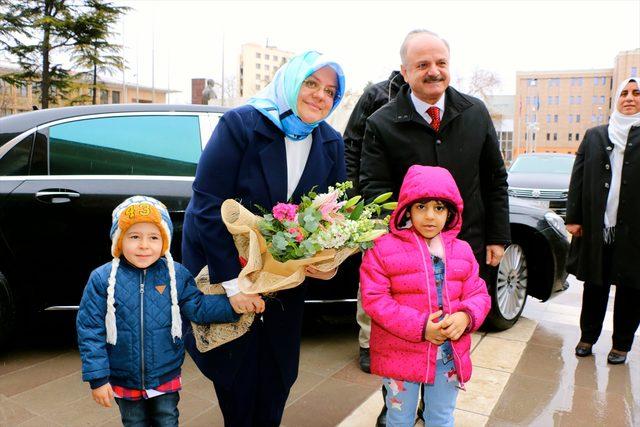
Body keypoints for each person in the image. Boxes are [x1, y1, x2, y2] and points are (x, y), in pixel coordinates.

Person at [181, 50, 346, 426]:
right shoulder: (242, 125)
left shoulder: (330, 143)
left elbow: (332, 219)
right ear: (291, 82)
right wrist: (232, 284)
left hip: (285, 286)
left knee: (277, 378)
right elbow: (207, 205)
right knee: (236, 377)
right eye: (311, 83)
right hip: (232, 276)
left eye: (330, 91)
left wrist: (326, 263)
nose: (321, 95)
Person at [76, 196, 239, 426]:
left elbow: (198, 307)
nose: (144, 245)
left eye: (153, 237)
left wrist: (234, 306)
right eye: (134, 237)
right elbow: (90, 329)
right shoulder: (102, 279)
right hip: (123, 375)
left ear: (164, 242)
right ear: (119, 240)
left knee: (167, 418)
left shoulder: (176, 275)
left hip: (166, 372)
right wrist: (98, 378)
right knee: (133, 422)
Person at [359, 29, 510, 274]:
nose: (434, 71)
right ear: (405, 72)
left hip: (467, 248)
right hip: (405, 255)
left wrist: (497, 235)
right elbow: (375, 188)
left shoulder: (476, 112)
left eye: (441, 63)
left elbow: (495, 179)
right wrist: (398, 238)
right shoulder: (381, 123)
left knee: (465, 313)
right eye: (422, 65)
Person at [361, 165, 491, 427]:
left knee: (441, 418)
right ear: (406, 209)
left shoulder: (462, 251)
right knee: (398, 418)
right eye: (421, 207)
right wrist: (421, 327)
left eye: (439, 208)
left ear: (451, 212)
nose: (430, 216)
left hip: (448, 355)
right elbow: (375, 299)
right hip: (400, 354)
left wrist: (466, 317)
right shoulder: (382, 248)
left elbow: (479, 293)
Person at [567, 77, 640, 365]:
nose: (629, 98)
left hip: (635, 231)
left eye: (636, 93)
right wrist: (573, 217)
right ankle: (588, 337)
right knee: (595, 284)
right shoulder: (596, 135)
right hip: (600, 226)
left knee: (632, 288)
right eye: (624, 93)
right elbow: (578, 176)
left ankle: (621, 345)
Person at [343, 70, 406, 373]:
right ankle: (368, 343)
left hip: (420, 205)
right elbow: (351, 145)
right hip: (378, 203)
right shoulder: (377, 94)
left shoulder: (439, 98)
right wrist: (356, 200)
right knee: (375, 276)